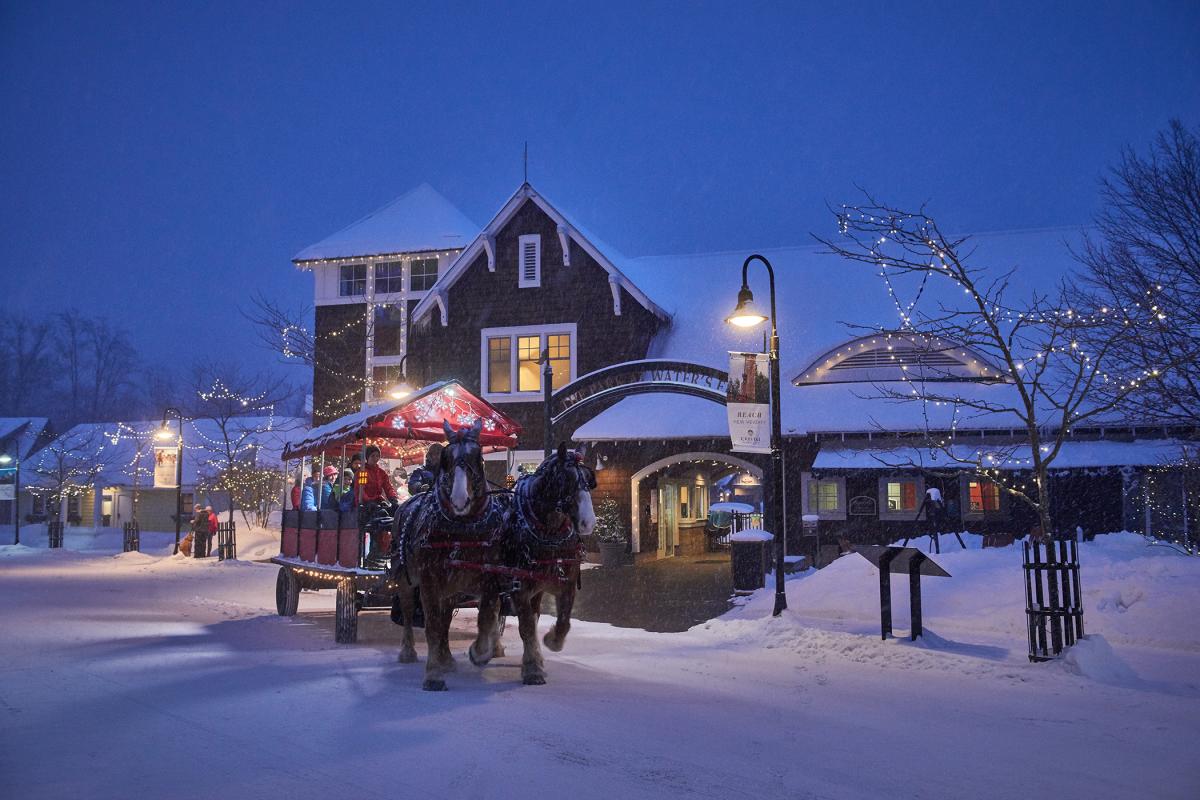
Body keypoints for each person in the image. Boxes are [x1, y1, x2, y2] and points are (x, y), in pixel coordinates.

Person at [358, 445, 397, 567]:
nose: (375, 458)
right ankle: (376, 550)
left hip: (378, 502)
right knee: (381, 517)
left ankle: (390, 549)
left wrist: (393, 498)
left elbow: (388, 487)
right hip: (366, 504)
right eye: (373, 456)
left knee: (396, 513)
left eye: (377, 456)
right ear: (367, 457)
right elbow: (360, 490)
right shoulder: (363, 472)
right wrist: (368, 500)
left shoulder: (381, 473)